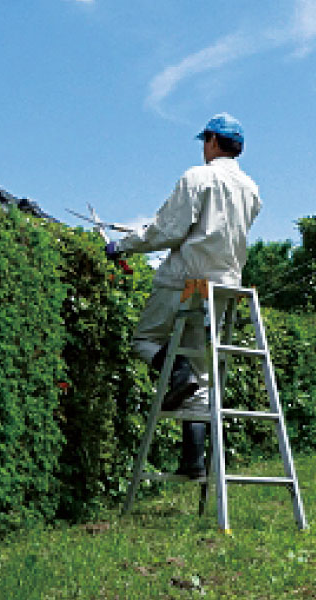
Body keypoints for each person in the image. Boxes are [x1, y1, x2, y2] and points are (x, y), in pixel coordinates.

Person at [106, 113, 261, 478]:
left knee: (144, 339)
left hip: (186, 281)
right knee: (203, 375)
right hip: (224, 286)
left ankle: (177, 372)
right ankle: (193, 461)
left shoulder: (198, 177)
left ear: (211, 140)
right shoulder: (251, 189)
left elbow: (167, 231)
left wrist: (123, 246)